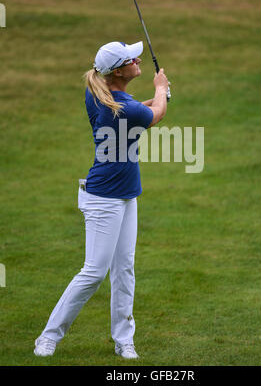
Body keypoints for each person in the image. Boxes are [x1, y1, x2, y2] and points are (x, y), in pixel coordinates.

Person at [34, 41, 169, 359]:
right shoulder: (121, 104)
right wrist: (161, 87)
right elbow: (156, 113)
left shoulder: (99, 93)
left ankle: (124, 339)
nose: (138, 60)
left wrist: (156, 97)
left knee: (125, 269)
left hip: (126, 197)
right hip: (103, 200)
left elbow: (140, 112)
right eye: (130, 59)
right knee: (94, 272)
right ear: (118, 72)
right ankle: (49, 336)